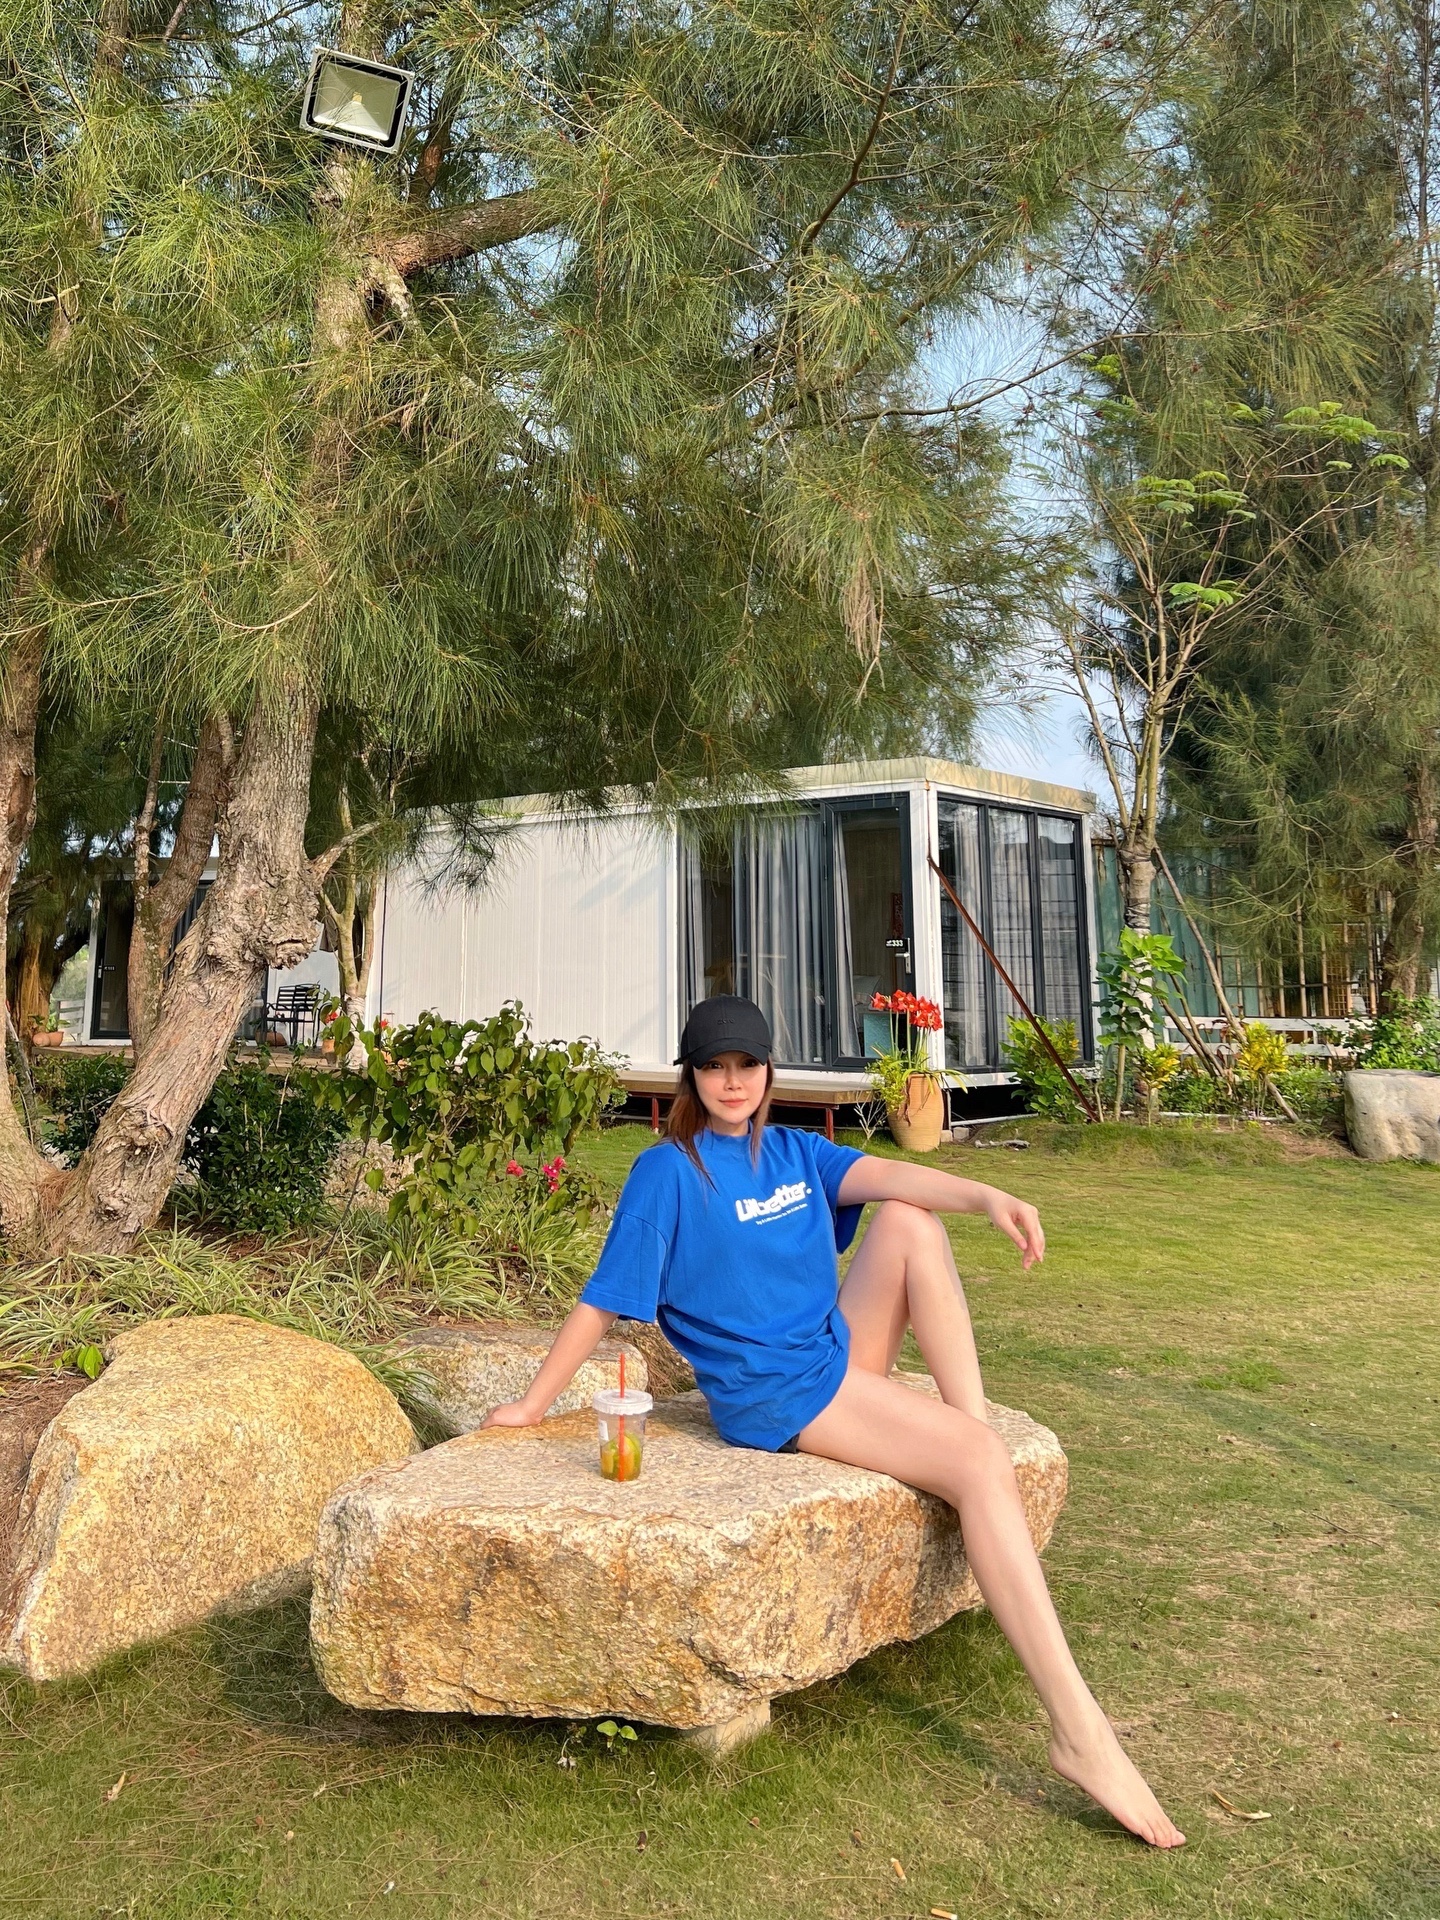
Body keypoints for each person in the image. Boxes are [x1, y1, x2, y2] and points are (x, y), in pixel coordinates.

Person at [485, 994, 1185, 1848]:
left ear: (769, 1071)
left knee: (911, 1224)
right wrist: (532, 1404)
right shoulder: (668, 1172)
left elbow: (900, 1178)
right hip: (772, 1393)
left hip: (828, 1358)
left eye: (747, 1065)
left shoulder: (792, 1151)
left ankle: (972, 1445)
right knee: (974, 1459)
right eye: (714, 1067)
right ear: (690, 1077)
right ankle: (1079, 1732)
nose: (733, 1082)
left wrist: (991, 1194)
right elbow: (604, 1298)